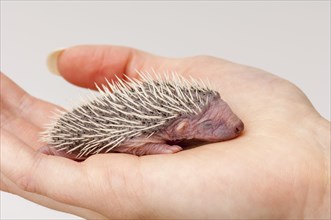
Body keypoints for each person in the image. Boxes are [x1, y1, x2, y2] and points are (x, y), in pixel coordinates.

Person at [1, 45, 330, 219]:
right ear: (183, 128)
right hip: (79, 133)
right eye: (214, 125)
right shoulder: (150, 130)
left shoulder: (188, 117)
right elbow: (133, 141)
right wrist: (156, 149)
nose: (235, 126)